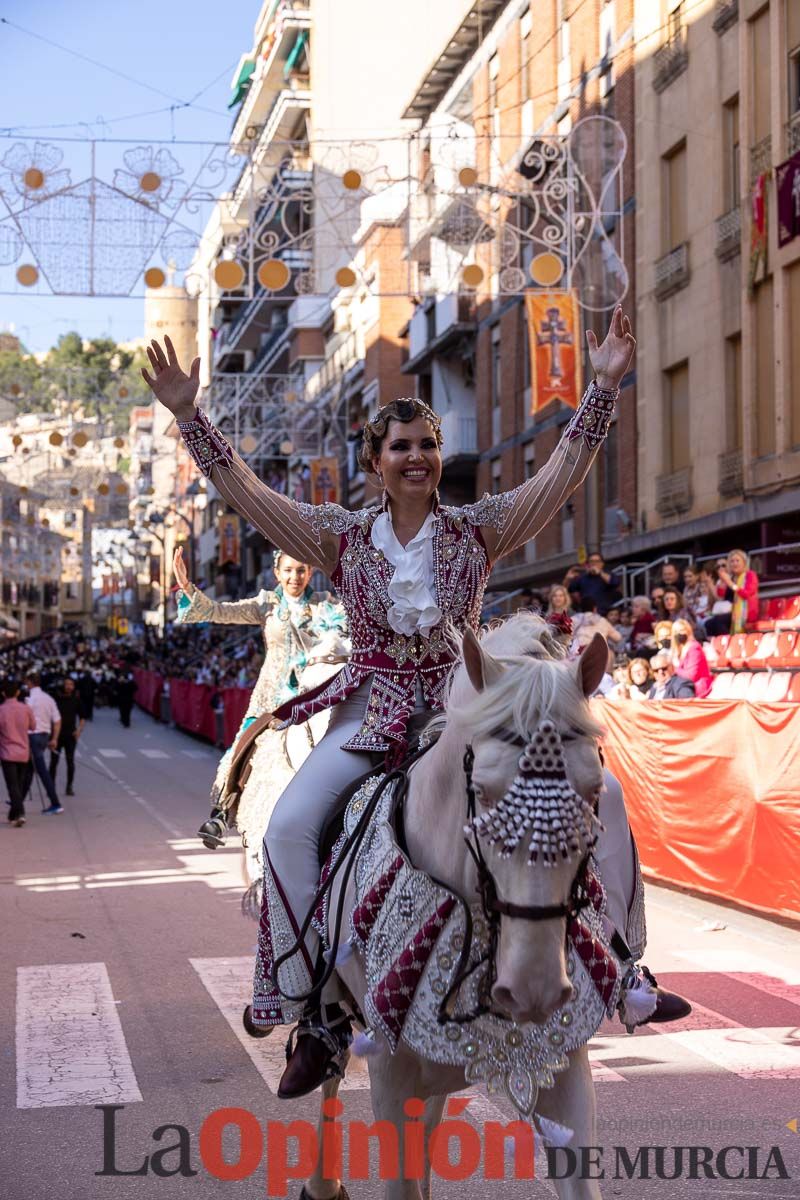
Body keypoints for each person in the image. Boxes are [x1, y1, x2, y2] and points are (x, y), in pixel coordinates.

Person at [144, 308, 688, 1096]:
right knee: (291, 827)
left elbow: (561, 475)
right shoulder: (337, 537)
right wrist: (192, 417)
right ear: (374, 461)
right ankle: (316, 1014)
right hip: (367, 721)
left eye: (428, 444)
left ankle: (626, 966)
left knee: (598, 791)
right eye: (401, 446)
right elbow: (251, 497)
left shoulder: (482, 527)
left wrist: (602, 386)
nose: (418, 458)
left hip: (465, 717)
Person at [173, 545, 349, 890]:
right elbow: (218, 611)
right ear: (277, 573)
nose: (295, 577)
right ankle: (224, 812)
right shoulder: (267, 604)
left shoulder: (328, 605)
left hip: (317, 693)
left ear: (310, 573)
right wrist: (188, 588)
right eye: (288, 571)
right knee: (242, 745)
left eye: (301, 570)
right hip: (273, 695)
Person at [24, 672, 62, 813]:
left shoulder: (30, 699)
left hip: (33, 736)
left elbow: (25, 720)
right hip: (45, 736)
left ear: (29, 683)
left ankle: (55, 802)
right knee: (29, 769)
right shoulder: (49, 699)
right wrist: (54, 739)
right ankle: (18, 800)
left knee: (41, 770)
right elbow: (57, 721)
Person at [0, 679, 35, 826]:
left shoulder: (1, 710)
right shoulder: (26, 708)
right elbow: (33, 726)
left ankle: (19, 813)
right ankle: (13, 814)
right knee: (19, 784)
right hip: (23, 752)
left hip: (7, 752)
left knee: (12, 785)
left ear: (3, 694)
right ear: (18, 692)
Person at [706, 549, 759, 637]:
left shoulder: (750, 575)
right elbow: (721, 596)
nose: (734, 563)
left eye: (737, 561)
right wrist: (722, 582)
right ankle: (717, 646)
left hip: (746, 612)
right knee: (709, 623)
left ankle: (731, 643)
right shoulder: (732, 577)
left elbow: (746, 594)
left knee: (718, 621)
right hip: (732, 612)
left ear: (744, 563)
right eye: (732, 561)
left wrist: (730, 583)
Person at [49, 677, 85, 796]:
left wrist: (79, 730)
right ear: (63, 686)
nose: (69, 686)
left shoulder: (76, 700)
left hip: (71, 736)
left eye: (71, 684)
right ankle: (51, 786)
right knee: (54, 762)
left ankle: (69, 786)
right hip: (56, 736)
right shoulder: (56, 699)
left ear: (74, 687)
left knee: (70, 762)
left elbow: (82, 717)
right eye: (66, 684)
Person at [567, 550, 622, 615]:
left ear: (602, 563)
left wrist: (600, 573)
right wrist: (567, 579)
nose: (594, 564)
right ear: (588, 564)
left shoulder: (608, 574)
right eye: (591, 561)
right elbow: (569, 589)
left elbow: (615, 583)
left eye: (597, 561)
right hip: (587, 615)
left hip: (605, 614)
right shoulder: (582, 577)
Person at [670, 618, 712, 698]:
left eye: (682, 630)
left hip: (697, 688)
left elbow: (691, 676)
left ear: (688, 631)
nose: (679, 633)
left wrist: (675, 669)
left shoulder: (694, 648)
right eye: (676, 632)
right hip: (683, 686)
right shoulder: (677, 651)